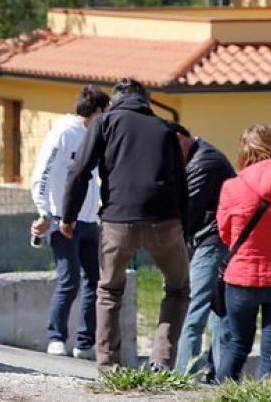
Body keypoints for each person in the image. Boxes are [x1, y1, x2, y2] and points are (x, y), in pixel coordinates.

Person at [62, 78, 189, 371]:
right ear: (146, 100)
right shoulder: (165, 128)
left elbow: (80, 172)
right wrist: (184, 226)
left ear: (116, 101)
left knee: (109, 290)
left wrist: (68, 216)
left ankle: (108, 364)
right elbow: (181, 184)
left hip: (118, 220)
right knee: (178, 288)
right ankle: (161, 359)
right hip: (164, 221)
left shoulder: (104, 122)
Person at [214, 124, 271, 382]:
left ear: (244, 152)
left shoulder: (232, 187)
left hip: (242, 278)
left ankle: (224, 397)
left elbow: (225, 233)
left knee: (237, 344)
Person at [29, 85, 110, 360]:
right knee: (69, 279)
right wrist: (45, 212)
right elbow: (43, 173)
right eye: (105, 111)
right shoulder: (65, 133)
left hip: (89, 220)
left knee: (95, 281)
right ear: (97, 111)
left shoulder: (95, 135)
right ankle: (56, 338)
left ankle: (84, 343)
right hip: (63, 219)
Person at [169, 122, 236, 380]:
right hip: (214, 241)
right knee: (218, 310)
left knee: (194, 309)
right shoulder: (197, 158)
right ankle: (221, 374)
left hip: (212, 241)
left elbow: (182, 209)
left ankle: (184, 375)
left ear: (179, 138)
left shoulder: (204, 162)